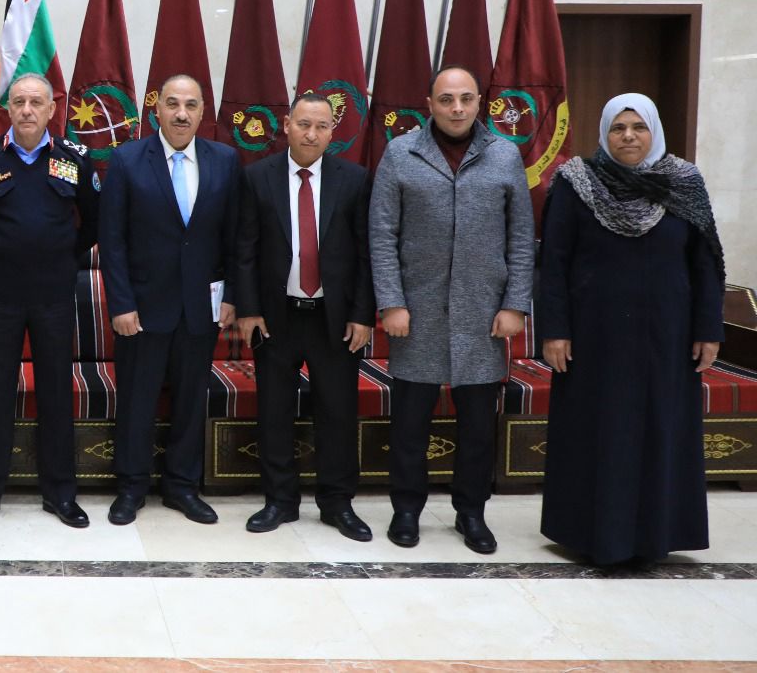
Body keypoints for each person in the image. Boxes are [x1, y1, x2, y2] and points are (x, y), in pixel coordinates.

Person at [538, 93, 724, 565]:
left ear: (654, 131)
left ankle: (655, 535)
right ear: (604, 133)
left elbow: (706, 264)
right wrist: (554, 330)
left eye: (638, 127)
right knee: (599, 432)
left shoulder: (684, 182)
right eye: (618, 128)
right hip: (593, 338)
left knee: (660, 430)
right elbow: (553, 262)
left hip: (669, 338)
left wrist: (708, 329)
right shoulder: (576, 182)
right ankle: (592, 534)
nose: (628, 136)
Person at [369, 65, 534, 554]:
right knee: (410, 424)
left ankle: (471, 512)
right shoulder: (402, 153)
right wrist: (391, 302)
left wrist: (515, 305)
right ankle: (406, 509)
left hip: (484, 315)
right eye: (446, 99)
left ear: (480, 102)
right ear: (430, 104)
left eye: (465, 98)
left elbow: (521, 237)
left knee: (478, 427)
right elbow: (382, 234)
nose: (456, 108)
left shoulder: (504, 155)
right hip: (415, 313)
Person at [99, 74, 241, 526]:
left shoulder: (225, 160)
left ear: (203, 112)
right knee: (137, 401)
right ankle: (131, 487)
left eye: (191, 105)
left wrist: (231, 296)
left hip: (201, 308)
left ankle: (182, 486)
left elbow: (235, 237)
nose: (182, 114)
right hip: (141, 309)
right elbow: (112, 241)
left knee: (190, 401)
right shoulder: (126, 160)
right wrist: (121, 304)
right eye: (173, 104)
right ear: (156, 109)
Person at [0, 73, 99, 530]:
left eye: (36, 102)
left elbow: (93, 222)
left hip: (54, 292)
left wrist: (59, 255)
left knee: (56, 390)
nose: (26, 110)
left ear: (52, 109)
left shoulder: (75, 158)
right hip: (0, 292)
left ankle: (61, 493)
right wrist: (3, 252)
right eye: (18, 102)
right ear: (7, 109)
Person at [235, 93, 374, 541]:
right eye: (303, 124)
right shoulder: (257, 177)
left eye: (321, 126)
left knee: (338, 411)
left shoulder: (354, 180)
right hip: (277, 317)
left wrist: (362, 314)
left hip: (334, 320)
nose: (311, 134)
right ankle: (280, 500)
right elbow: (245, 250)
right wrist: (249, 309)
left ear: (333, 132)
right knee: (274, 411)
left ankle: (337, 503)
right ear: (286, 125)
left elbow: (366, 254)